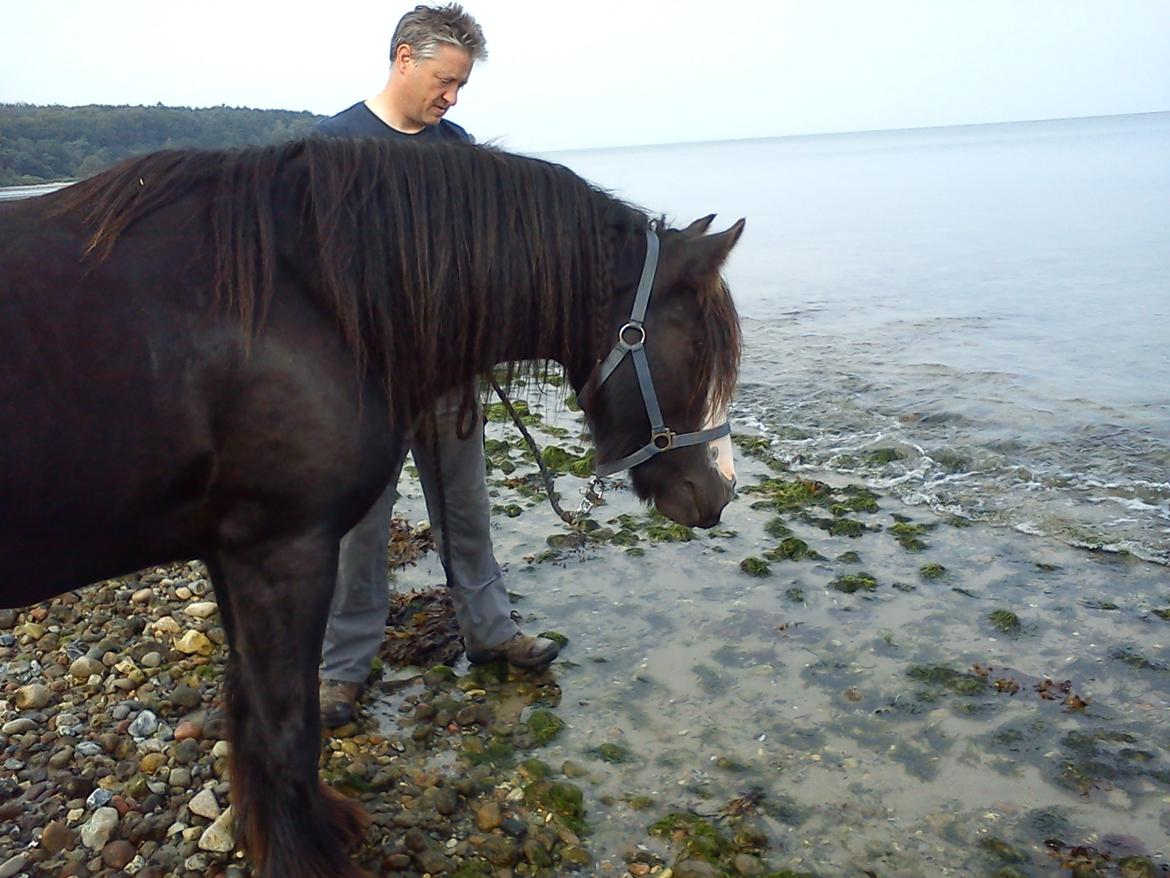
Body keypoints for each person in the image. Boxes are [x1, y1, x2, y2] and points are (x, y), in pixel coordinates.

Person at [316, 3, 558, 727]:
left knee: (466, 510)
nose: (451, 97)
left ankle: (491, 632)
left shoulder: (457, 147)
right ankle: (342, 668)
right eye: (444, 81)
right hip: (366, 380)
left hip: (450, 370)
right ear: (404, 60)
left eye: (460, 86)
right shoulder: (334, 146)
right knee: (361, 528)